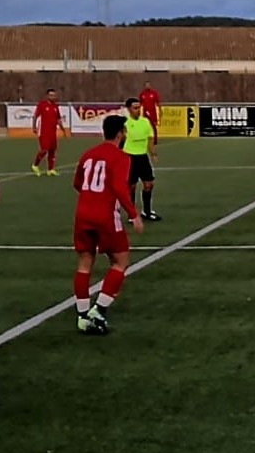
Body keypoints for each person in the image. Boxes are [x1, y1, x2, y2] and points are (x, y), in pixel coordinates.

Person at [72, 116, 145, 335]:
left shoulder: (88, 154)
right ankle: (99, 309)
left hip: (82, 214)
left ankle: (82, 316)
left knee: (84, 263)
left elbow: (77, 183)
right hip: (105, 215)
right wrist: (134, 214)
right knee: (120, 261)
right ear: (121, 133)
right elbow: (120, 188)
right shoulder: (121, 157)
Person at [123, 96, 162, 221]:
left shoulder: (145, 122)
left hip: (143, 158)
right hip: (130, 158)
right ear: (129, 109)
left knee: (149, 184)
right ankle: (132, 214)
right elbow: (120, 141)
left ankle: (147, 211)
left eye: (139, 107)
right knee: (131, 187)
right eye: (135, 108)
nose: (138, 110)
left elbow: (150, 139)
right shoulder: (125, 124)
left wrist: (153, 153)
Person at [31, 88, 68, 176]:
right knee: (44, 150)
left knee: (52, 151)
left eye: (54, 95)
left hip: (53, 132)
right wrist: (34, 127)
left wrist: (63, 129)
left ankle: (50, 169)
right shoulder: (42, 105)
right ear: (47, 96)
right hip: (43, 132)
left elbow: (58, 119)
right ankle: (35, 165)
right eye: (51, 95)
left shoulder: (55, 106)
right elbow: (35, 116)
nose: (53, 97)